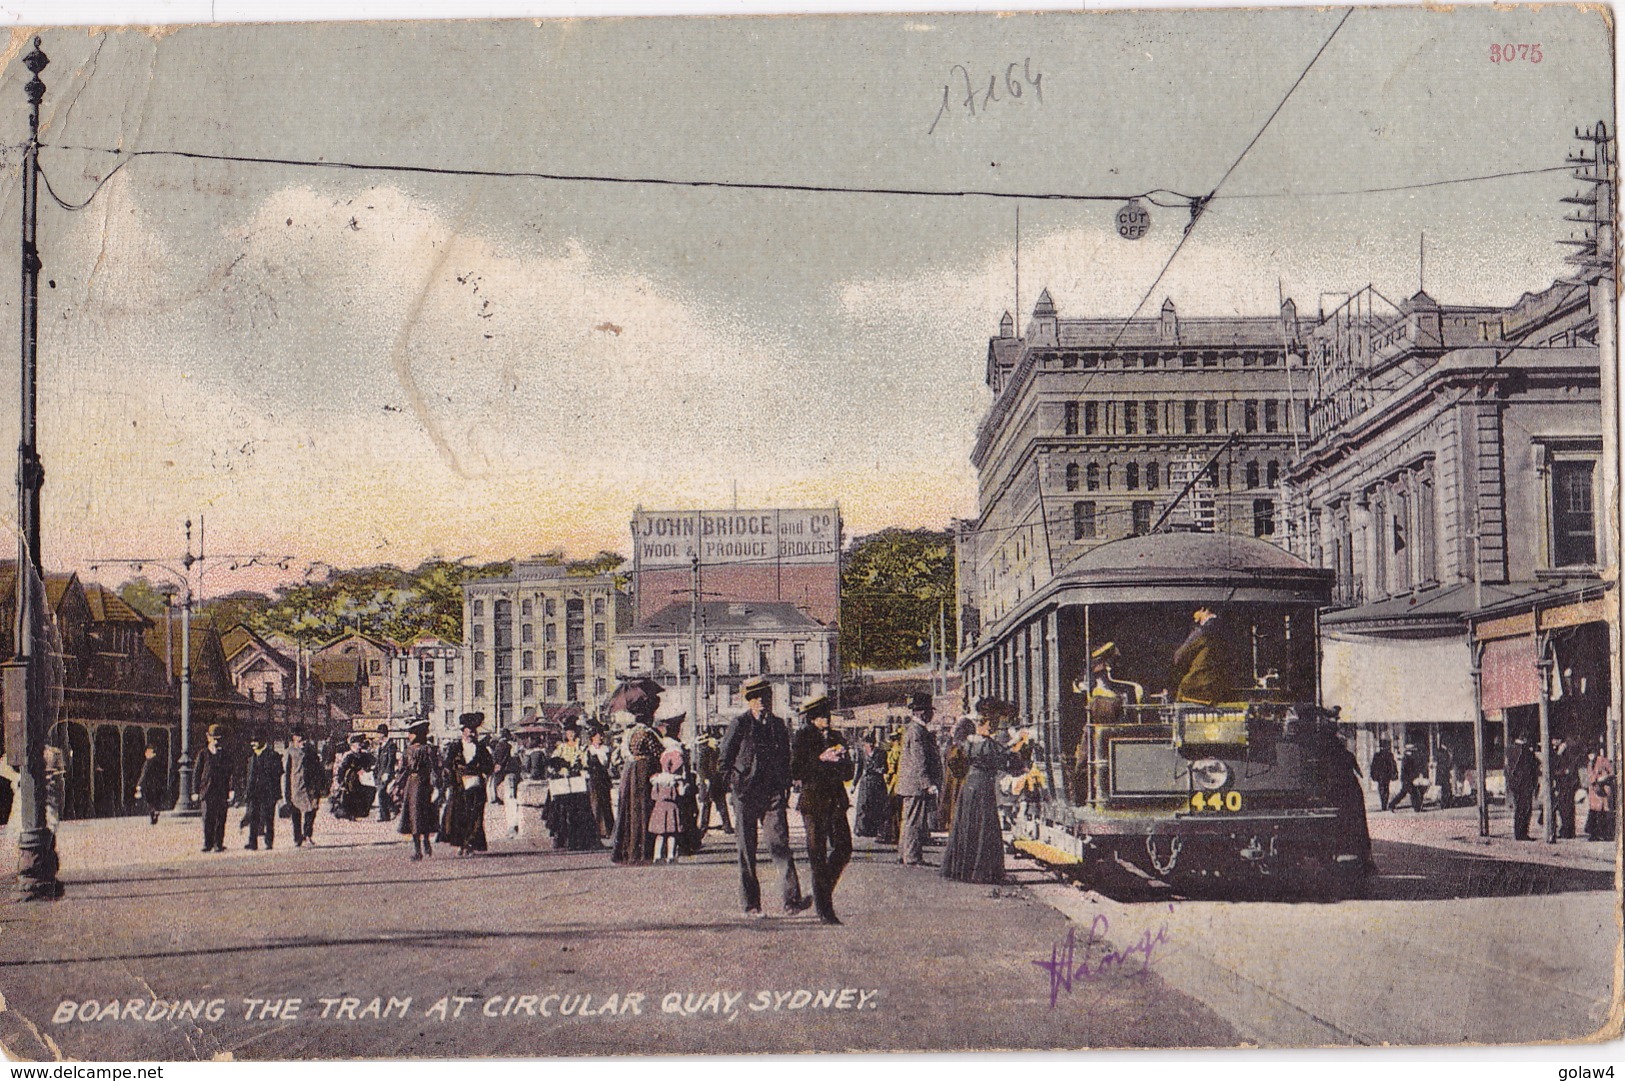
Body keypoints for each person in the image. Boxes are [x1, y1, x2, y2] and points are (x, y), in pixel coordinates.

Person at [719, 676, 808, 917]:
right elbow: (723, 760)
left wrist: (785, 785)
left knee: (779, 844)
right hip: (746, 795)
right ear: (748, 701)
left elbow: (785, 758)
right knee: (747, 850)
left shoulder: (778, 725)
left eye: (765, 697)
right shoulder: (739, 724)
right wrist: (734, 784)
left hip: (772, 795)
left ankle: (791, 901)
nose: (762, 702)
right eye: (756, 698)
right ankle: (751, 905)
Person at [790, 694, 853, 924]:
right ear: (812, 719)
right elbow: (796, 769)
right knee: (817, 855)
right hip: (814, 803)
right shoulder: (802, 737)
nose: (826, 718)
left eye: (827, 714)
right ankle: (825, 910)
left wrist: (844, 760)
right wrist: (821, 759)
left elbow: (849, 773)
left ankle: (821, 890)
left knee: (844, 848)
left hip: (836, 801)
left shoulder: (838, 737)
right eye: (821, 715)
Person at [941, 711, 1017, 883]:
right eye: (992, 724)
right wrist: (1016, 743)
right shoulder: (989, 744)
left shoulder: (967, 742)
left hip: (968, 786)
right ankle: (983, 873)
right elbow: (1004, 760)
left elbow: (954, 762)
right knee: (985, 827)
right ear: (986, 723)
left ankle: (962, 871)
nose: (994, 727)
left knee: (966, 824)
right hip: (983, 787)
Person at [611, 680, 666, 865]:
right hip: (644, 773)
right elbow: (659, 753)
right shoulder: (647, 733)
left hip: (630, 772)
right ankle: (644, 849)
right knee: (644, 810)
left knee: (629, 810)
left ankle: (628, 849)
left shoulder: (628, 734)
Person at [896, 693, 943, 867]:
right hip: (915, 785)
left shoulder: (915, 730)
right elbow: (920, 760)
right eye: (930, 711)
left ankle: (904, 853)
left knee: (908, 819)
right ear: (921, 712)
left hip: (910, 784)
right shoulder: (917, 732)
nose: (931, 715)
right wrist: (927, 783)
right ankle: (912, 856)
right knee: (914, 821)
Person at [439, 713, 494, 855]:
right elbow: (447, 765)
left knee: (475, 817)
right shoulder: (455, 747)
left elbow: (489, 766)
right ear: (463, 731)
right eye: (469, 730)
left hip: (476, 787)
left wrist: (482, 773)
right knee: (459, 816)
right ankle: (461, 845)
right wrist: (451, 780)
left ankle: (470, 845)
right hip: (459, 787)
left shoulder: (481, 748)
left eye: (474, 731)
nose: (472, 733)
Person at [544, 724, 601, 850]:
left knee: (579, 811)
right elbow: (552, 763)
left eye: (573, 731)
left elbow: (586, 762)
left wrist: (580, 765)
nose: (570, 734)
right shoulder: (561, 748)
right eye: (568, 732)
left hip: (576, 782)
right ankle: (561, 839)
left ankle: (580, 841)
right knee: (561, 811)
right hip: (563, 782)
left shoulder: (581, 748)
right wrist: (559, 768)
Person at [394, 719, 440, 859]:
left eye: (411, 733)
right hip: (423, 784)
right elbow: (436, 769)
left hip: (415, 785)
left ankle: (419, 848)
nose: (408, 736)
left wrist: (397, 785)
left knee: (415, 816)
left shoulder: (413, 750)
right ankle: (424, 844)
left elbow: (403, 771)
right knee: (422, 814)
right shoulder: (428, 749)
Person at [1168, 607, 1232, 705]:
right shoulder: (1224, 626)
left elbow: (1180, 655)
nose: (1193, 617)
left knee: (1182, 690)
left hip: (1202, 681)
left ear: (1202, 609)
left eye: (1194, 612)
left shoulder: (1202, 631)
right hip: (1221, 681)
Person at [194, 724, 235, 853]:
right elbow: (196, 773)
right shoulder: (203, 754)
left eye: (218, 739)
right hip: (207, 791)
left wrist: (231, 789)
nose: (216, 741)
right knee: (207, 818)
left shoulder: (225, 754)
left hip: (221, 791)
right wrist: (195, 791)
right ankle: (208, 843)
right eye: (214, 738)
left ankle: (218, 844)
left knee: (220, 818)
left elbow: (230, 773)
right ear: (208, 737)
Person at [283, 726, 324, 848]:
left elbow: (318, 769)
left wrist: (320, 786)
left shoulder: (311, 751)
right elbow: (285, 774)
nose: (303, 743)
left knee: (311, 811)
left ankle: (307, 835)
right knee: (296, 814)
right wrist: (285, 794)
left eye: (304, 740)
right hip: (296, 787)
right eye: (300, 741)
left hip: (310, 787)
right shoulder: (289, 752)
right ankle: (297, 838)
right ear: (294, 740)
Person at [242, 736, 284, 851]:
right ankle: (252, 842)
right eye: (252, 741)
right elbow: (248, 776)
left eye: (255, 741)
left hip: (268, 793)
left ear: (263, 741)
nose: (253, 743)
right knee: (253, 817)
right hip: (254, 793)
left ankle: (269, 842)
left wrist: (278, 795)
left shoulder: (273, 755)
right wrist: (247, 792)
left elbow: (278, 775)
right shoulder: (251, 756)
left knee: (268, 818)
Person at [648, 749, 686, 863]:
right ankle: (671, 856)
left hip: (659, 807)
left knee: (660, 834)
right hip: (672, 807)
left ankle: (657, 856)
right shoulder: (676, 780)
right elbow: (682, 793)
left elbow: (653, 795)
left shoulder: (657, 779)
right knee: (672, 834)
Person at [851, 734, 890, 838]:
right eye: (868, 743)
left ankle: (876, 830)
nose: (870, 745)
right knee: (863, 805)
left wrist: (881, 770)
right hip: (866, 782)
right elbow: (859, 770)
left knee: (877, 806)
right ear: (864, 744)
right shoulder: (861, 754)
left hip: (877, 782)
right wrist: (854, 784)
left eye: (872, 743)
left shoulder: (881, 753)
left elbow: (886, 768)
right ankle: (861, 829)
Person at [331, 734, 376, 820]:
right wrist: (341, 781)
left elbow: (371, 763)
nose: (359, 745)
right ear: (352, 745)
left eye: (359, 743)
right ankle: (350, 813)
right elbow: (342, 769)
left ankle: (360, 812)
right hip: (351, 780)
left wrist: (364, 770)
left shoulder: (364, 755)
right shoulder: (349, 756)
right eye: (357, 743)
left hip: (363, 779)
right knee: (352, 795)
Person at [696, 733, 733, 835]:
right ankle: (704, 826)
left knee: (721, 805)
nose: (717, 742)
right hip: (708, 782)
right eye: (715, 740)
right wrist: (705, 779)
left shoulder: (718, 751)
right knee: (706, 806)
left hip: (717, 783)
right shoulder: (705, 751)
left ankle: (727, 827)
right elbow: (701, 768)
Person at [585, 728, 616, 838]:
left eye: (601, 736)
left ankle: (608, 830)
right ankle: (597, 830)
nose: (600, 738)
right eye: (598, 736)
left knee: (606, 803)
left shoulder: (606, 749)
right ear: (592, 738)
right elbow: (585, 764)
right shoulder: (588, 750)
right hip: (593, 779)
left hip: (603, 779)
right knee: (595, 804)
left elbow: (608, 764)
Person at [1551, 737, 1583, 839]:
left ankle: (1568, 831)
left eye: (1555, 740)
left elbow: (1567, 767)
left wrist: (1558, 755)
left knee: (1566, 807)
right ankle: (1566, 830)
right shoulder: (1558, 750)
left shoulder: (1567, 751)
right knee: (1564, 807)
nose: (1553, 742)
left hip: (1567, 783)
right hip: (1563, 783)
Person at [1507, 737, 1539, 841]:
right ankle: (1523, 833)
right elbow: (1534, 766)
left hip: (1516, 785)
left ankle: (1519, 833)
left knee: (1519, 809)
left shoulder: (1510, 750)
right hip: (1525, 784)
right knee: (1525, 809)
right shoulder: (1526, 752)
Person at [1584, 740, 1615, 842]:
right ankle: (1594, 834)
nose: (1591, 756)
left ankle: (1606, 834)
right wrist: (1594, 780)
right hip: (1594, 790)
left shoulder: (1603, 760)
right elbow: (1589, 776)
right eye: (1589, 754)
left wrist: (1604, 777)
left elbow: (1612, 772)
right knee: (1594, 812)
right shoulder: (1589, 764)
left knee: (1605, 811)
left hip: (1604, 790)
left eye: (1592, 753)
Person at [133, 743, 165, 825]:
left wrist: (139, 784)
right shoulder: (159, 762)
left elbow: (144, 774)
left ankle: (153, 813)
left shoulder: (147, 763)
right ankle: (156, 812)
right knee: (156, 800)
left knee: (149, 801)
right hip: (158, 785)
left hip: (149, 786)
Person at [1392, 742, 1427, 813]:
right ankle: (1417, 808)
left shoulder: (1409, 757)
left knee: (1407, 793)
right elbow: (1407, 770)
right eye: (1412, 750)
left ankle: (1417, 807)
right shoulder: (1406, 758)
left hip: (1409, 779)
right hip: (1407, 779)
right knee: (1410, 793)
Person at [1369, 740, 1398, 812]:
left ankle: (1383, 804)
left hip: (1380, 775)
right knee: (1386, 788)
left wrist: (1373, 774)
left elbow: (1373, 766)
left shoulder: (1377, 755)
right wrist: (1394, 772)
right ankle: (1384, 803)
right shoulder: (1389, 754)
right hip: (1386, 774)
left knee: (1382, 788)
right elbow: (1393, 765)